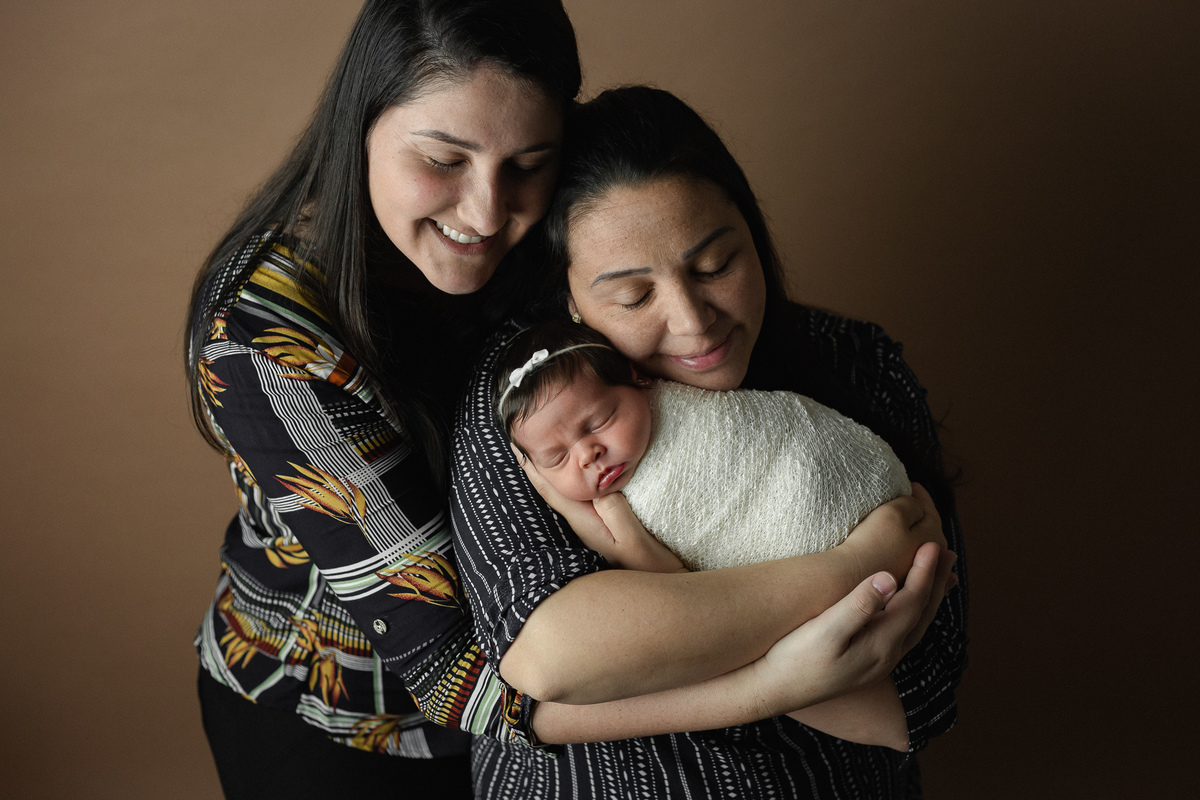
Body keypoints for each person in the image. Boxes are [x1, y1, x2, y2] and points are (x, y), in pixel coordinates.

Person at [450, 86, 967, 798]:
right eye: (633, 297)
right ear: (572, 303)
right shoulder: (535, 400)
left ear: (753, 235)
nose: (693, 321)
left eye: (716, 265)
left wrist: (654, 588)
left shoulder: (856, 364)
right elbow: (552, 656)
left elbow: (909, 709)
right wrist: (856, 566)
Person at [184, 1, 582, 796]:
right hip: (330, 728)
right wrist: (775, 680)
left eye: (528, 164)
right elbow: (452, 676)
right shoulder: (260, 332)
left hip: (536, 690)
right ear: (360, 125)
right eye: (443, 159)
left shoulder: (561, 229)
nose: (487, 211)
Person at [493, 320, 913, 576]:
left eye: (599, 421)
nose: (587, 455)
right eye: (557, 458)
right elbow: (683, 588)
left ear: (637, 378)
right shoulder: (604, 519)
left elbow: (785, 432)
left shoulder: (688, 405)